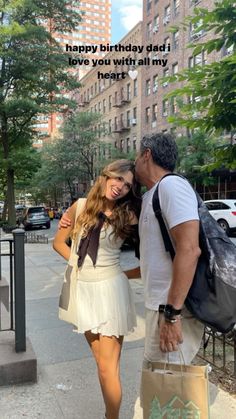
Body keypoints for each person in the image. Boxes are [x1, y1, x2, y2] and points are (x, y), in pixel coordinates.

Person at [53, 159, 141, 419]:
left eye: (127, 185)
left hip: (111, 291)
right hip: (84, 290)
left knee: (107, 368)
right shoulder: (80, 207)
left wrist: (121, 276)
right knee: (102, 364)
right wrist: (78, 266)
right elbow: (59, 243)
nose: (121, 187)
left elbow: (150, 256)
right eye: (118, 179)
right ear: (106, 175)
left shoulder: (130, 214)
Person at [134, 132, 204, 365]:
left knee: (167, 391)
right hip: (161, 307)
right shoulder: (151, 195)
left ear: (147, 155)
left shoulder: (172, 186)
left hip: (173, 309)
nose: (134, 162)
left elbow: (190, 249)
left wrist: (172, 316)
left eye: (136, 156)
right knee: (162, 389)